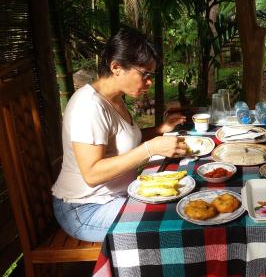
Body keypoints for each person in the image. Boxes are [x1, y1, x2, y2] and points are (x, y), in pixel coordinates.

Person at [51, 28, 188, 242]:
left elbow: (123, 141)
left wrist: (159, 130)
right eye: (145, 74)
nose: (149, 82)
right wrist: (150, 148)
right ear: (116, 67)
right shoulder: (88, 106)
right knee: (168, 220)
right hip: (85, 209)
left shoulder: (114, 98)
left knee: (179, 199)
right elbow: (92, 173)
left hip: (116, 197)